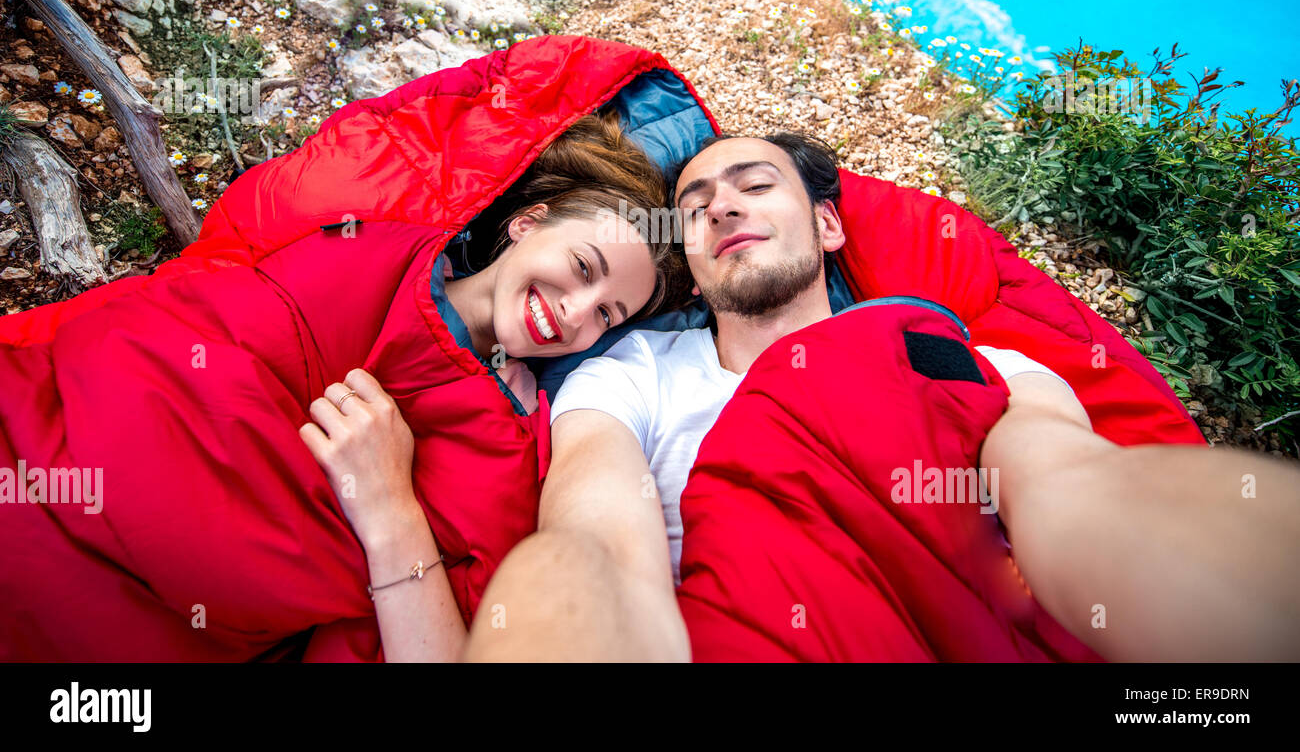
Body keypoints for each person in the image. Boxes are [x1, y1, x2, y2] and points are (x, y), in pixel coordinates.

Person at [454, 130, 1300, 662]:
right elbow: (593, 543)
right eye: (696, 205)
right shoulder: (632, 371)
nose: (722, 210)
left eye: (755, 186)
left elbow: (1076, 488)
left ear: (827, 225)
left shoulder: (953, 356)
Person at [299, 108, 691, 662]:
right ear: (527, 222)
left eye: (607, 315)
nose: (576, 315)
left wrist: (393, 511)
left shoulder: (531, 435)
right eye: (582, 267)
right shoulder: (375, 249)